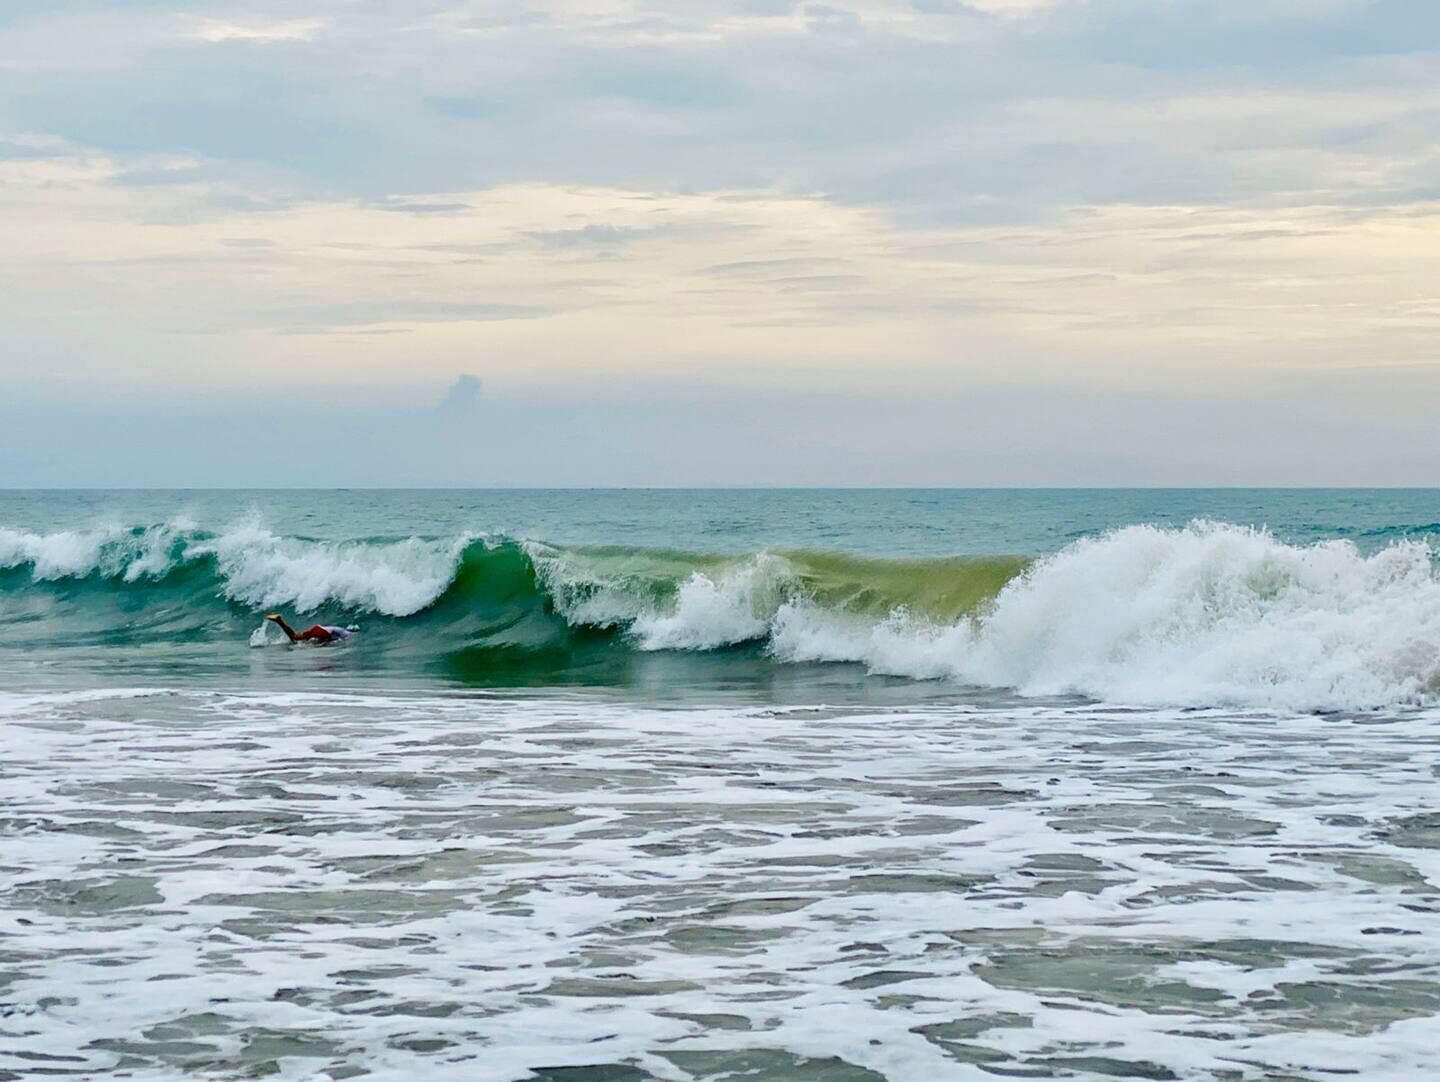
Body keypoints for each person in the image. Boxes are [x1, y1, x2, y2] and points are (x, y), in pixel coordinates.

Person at [265, 613, 355, 645]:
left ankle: (279, 620)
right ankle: (279, 620)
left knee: (295, 638)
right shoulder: (348, 633)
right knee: (295, 639)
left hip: (319, 629)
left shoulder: (341, 629)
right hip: (323, 633)